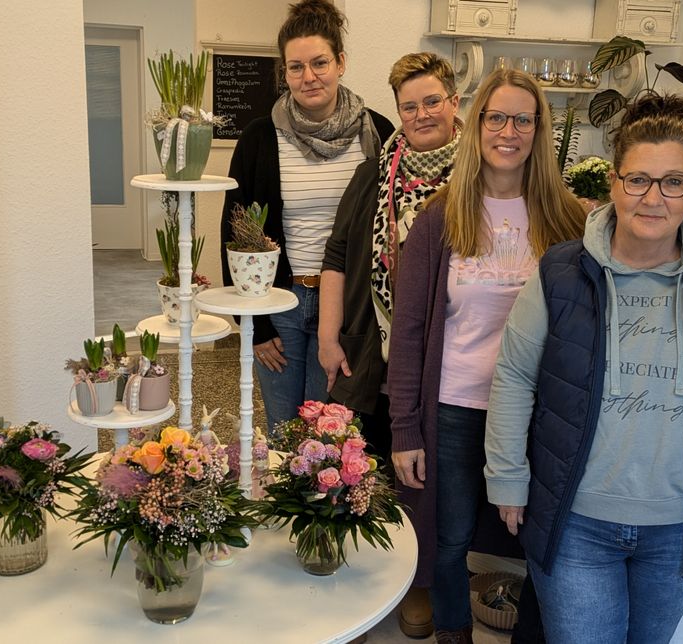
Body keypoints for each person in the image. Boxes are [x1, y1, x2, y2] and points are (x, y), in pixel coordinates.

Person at [484, 93, 683, 644]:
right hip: (575, 522)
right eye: (638, 179)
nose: (653, 198)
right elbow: (515, 375)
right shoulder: (561, 274)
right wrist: (507, 479)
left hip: (680, 527)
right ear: (614, 182)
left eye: (673, 182)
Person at [388, 69, 586, 644]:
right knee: (449, 539)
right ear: (476, 127)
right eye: (496, 117)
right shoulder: (441, 216)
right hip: (453, 406)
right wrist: (405, 427)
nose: (508, 130)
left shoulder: (568, 220)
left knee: (541, 537)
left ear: (538, 130)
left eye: (522, 119)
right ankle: (455, 632)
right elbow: (408, 329)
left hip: (535, 415)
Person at [318, 51, 461, 639]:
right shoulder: (376, 171)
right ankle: (369, 573)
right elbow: (335, 253)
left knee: (428, 474)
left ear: (454, 102)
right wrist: (328, 336)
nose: (422, 113)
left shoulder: (480, 175)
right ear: (397, 110)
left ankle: (418, 582)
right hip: (372, 342)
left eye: (433, 101)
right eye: (409, 105)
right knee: (367, 461)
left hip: (446, 351)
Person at [220, 0, 394, 433]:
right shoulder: (260, 137)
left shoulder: (378, 133)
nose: (308, 76)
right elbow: (235, 231)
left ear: (341, 62)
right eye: (295, 67)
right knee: (282, 428)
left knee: (327, 429)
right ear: (284, 72)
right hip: (280, 302)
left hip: (348, 306)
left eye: (319, 63)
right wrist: (255, 325)